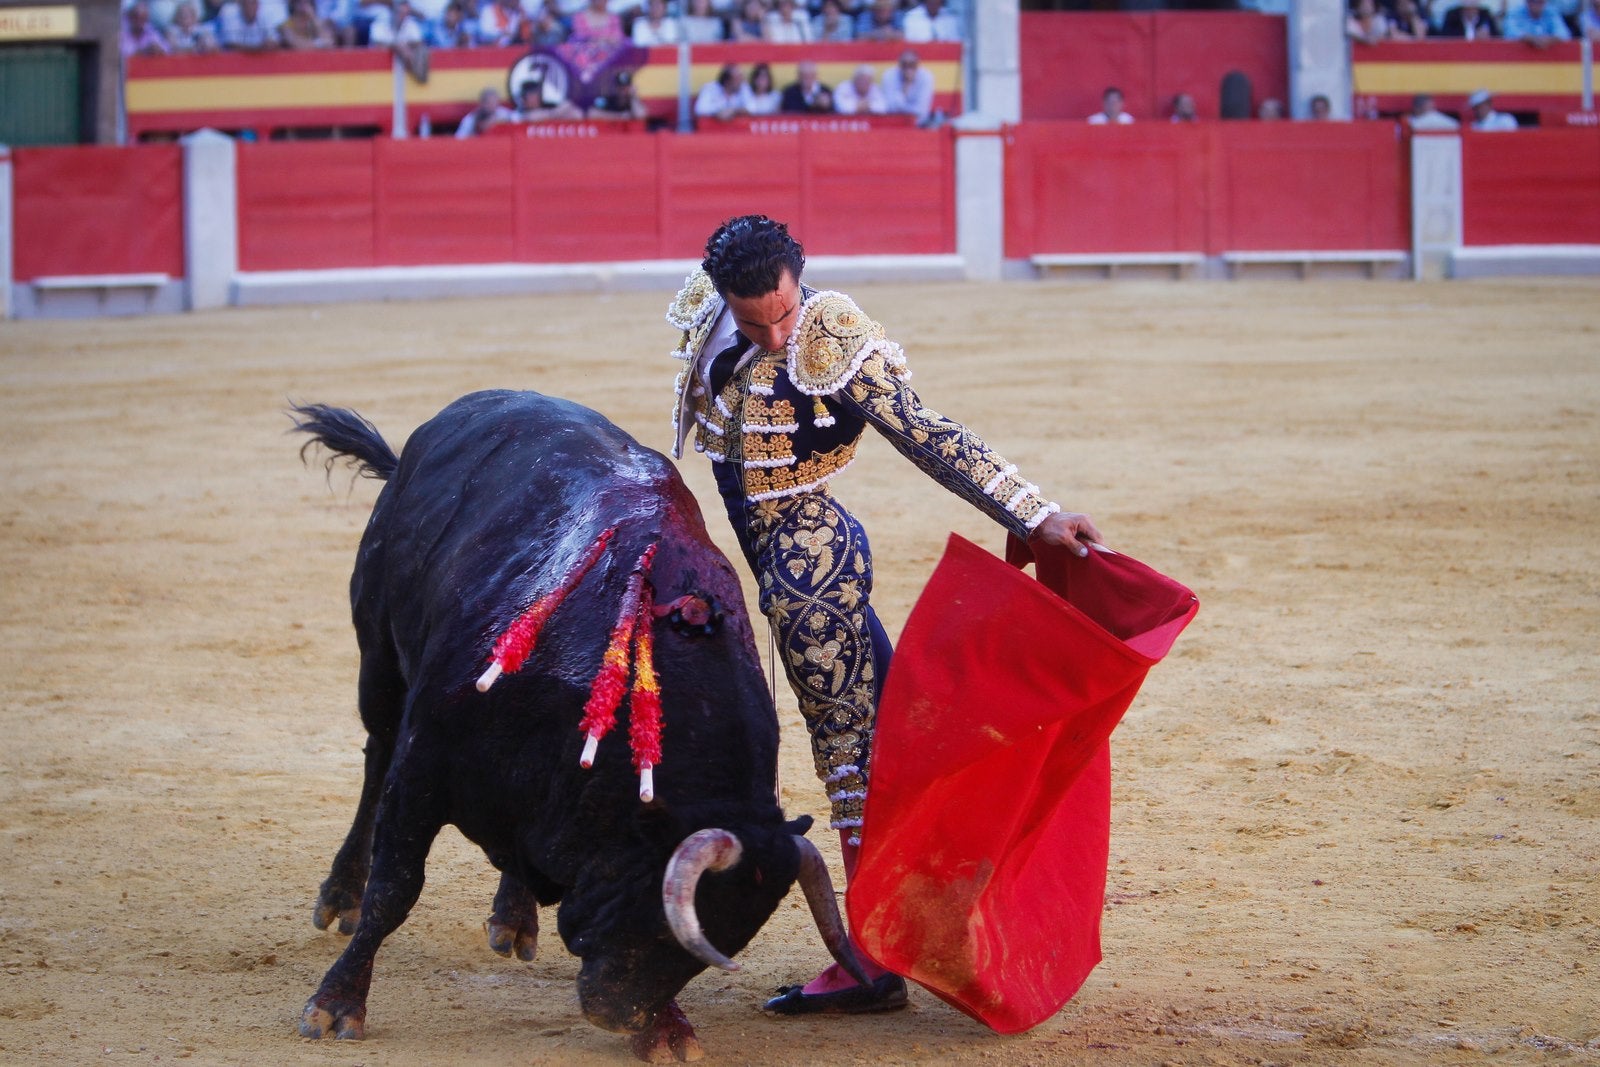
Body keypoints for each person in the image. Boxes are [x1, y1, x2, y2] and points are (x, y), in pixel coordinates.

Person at [663, 214, 1102, 1015]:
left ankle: (873, 958)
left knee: (852, 759)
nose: (773, 333)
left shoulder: (833, 338)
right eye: (755, 319)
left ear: (803, 280)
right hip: (751, 556)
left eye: (785, 312)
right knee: (881, 738)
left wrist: (1032, 513)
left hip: (809, 564)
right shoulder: (708, 305)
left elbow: (929, 435)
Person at [880, 49, 935, 125]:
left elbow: (921, 110)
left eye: (912, 64)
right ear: (899, 65)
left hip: (918, 123)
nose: (908, 68)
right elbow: (889, 107)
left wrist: (901, 107)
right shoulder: (889, 76)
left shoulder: (926, 77)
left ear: (917, 65)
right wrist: (904, 89)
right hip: (893, 122)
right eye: (904, 64)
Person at [1502, 0, 1572, 42]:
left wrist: (1550, 39)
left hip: (1548, 59)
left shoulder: (1551, 12)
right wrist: (1529, 39)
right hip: (1519, 60)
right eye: (1532, 1)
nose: (1536, 4)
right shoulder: (1515, 13)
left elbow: (1564, 34)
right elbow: (1509, 32)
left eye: (1539, 1)